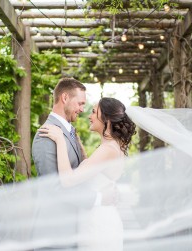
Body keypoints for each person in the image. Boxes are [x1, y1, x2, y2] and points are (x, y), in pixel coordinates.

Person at [38, 97, 136, 251]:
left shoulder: (108, 149)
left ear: (107, 119)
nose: (89, 115)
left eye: (94, 112)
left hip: (98, 223)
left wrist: (60, 141)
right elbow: (91, 167)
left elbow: (68, 180)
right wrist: (77, 142)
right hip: (98, 217)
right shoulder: (112, 146)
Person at [32, 78, 117, 250]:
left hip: (76, 230)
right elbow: (54, 187)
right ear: (64, 98)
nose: (82, 109)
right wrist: (99, 198)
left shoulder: (67, 132)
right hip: (55, 234)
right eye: (80, 103)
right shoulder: (46, 135)